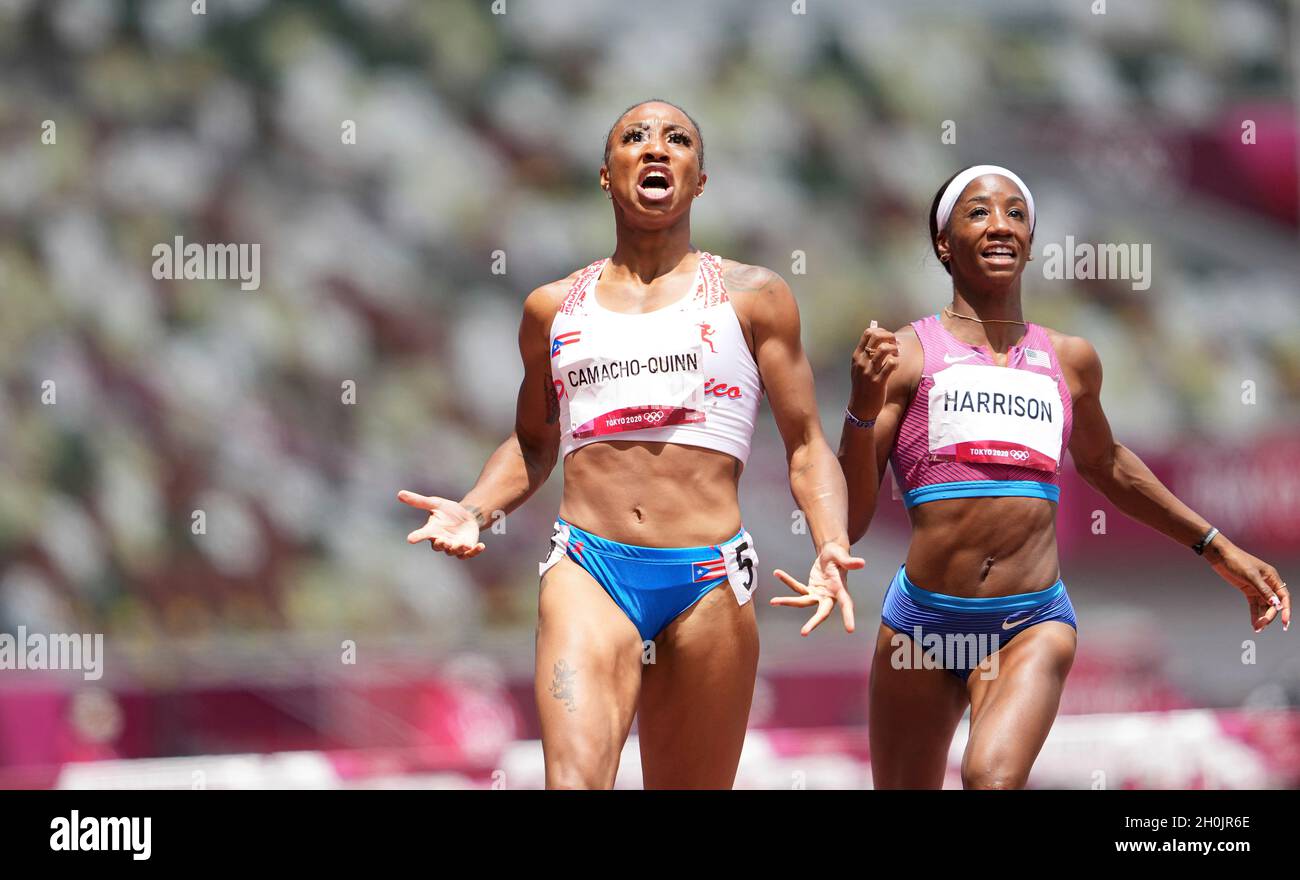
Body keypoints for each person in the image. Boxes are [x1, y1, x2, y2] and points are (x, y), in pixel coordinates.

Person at [398, 100, 862, 789]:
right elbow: (532, 444)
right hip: (590, 569)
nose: (654, 147)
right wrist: (476, 508)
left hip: (708, 579)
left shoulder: (755, 297)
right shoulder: (553, 308)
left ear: (699, 179)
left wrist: (829, 540)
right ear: (606, 175)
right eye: (634, 137)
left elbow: (805, 445)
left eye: (676, 139)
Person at [833, 164, 1290, 789]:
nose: (1000, 225)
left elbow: (1110, 466)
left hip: (1032, 619)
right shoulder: (906, 355)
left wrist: (1216, 546)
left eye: (1015, 214)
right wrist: (861, 405)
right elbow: (851, 519)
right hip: (923, 623)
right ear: (943, 244)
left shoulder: (1069, 360)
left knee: (990, 779)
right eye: (978, 213)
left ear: (1030, 240)